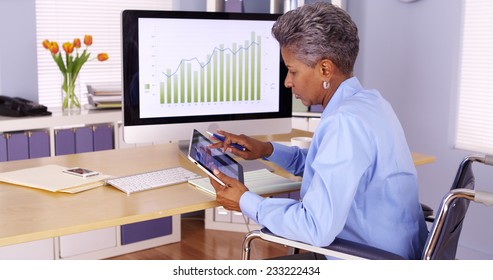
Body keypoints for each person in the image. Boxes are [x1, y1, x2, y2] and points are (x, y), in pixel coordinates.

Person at [208, 2, 428, 260]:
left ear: (325, 69)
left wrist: (246, 202)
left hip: (368, 260)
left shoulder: (345, 122)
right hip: (398, 250)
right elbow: (321, 164)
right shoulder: (370, 102)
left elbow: (315, 228)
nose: (287, 82)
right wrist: (266, 150)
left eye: (292, 71)